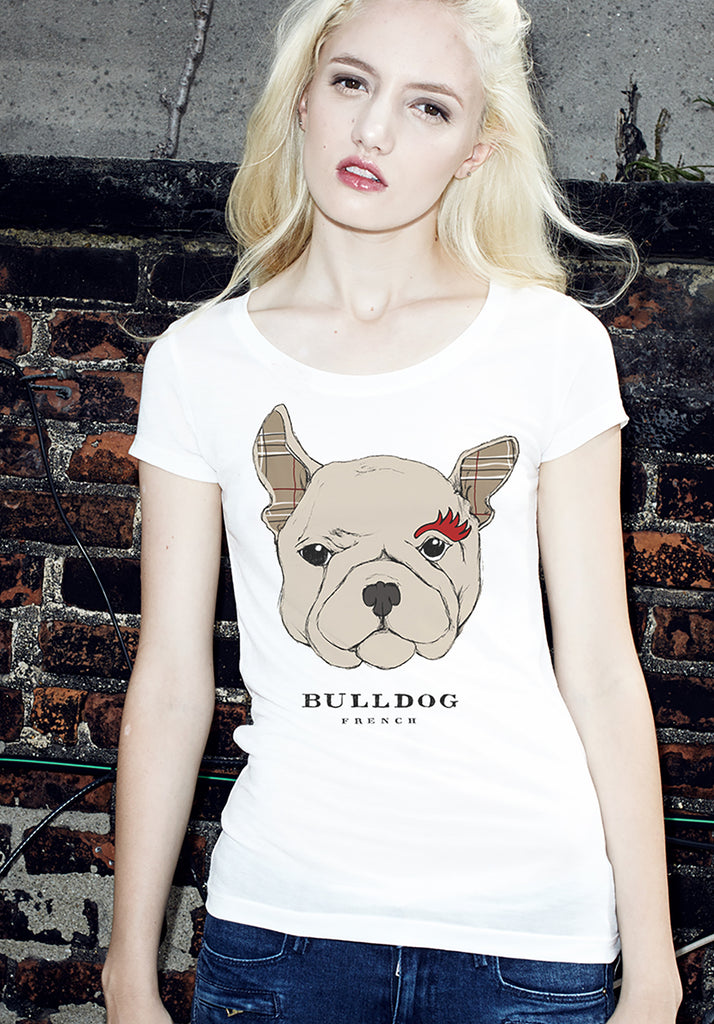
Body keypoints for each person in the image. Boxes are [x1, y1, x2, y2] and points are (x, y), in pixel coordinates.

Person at [102, 0, 683, 1021]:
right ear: (303, 98)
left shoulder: (550, 347)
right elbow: (172, 682)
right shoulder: (200, 364)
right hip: (280, 933)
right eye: (351, 82)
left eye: (428, 106)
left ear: (475, 150)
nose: (373, 129)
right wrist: (126, 973)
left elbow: (599, 665)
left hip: (529, 943)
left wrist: (655, 970)